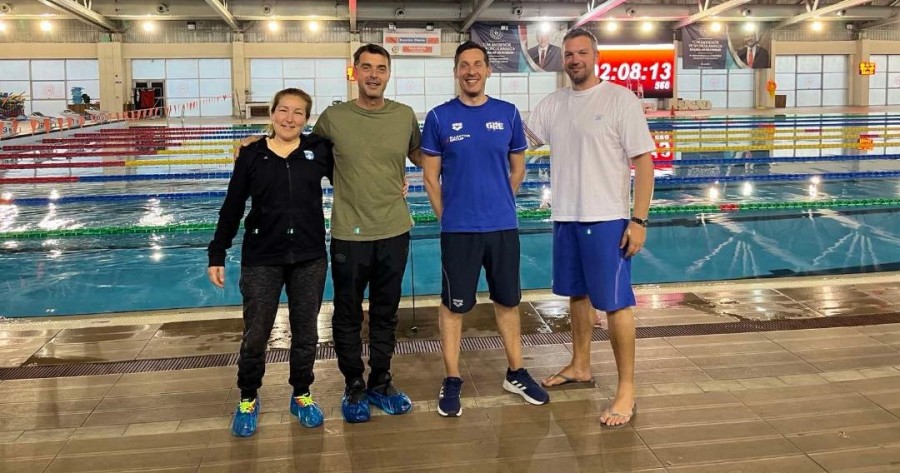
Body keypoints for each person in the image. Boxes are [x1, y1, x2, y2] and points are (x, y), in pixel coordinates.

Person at [236, 45, 423, 425]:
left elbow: (420, 155)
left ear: (389, 74)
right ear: (355, 73)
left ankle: (381, 381)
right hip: (348, 233)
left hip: (394, 229)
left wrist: (459, 160)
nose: (374, 74)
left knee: (386, 312)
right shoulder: (334, 118)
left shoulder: (404, 115)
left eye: (381, 68)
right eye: (366, 67)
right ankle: (353, 384)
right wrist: (255, 142)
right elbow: (295, 143)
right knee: (347, 313)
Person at [525, 28, 656, 429]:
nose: (575, 59)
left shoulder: (619, 99)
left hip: (607, 218)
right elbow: (519, 143)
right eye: (569, 54)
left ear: (595, 57)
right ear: (562, 59)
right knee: (577, 295)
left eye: (582, 52)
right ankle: (580, 364)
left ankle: (627, 387)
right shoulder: (553, 104)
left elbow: (644, 162)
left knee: (616, 303)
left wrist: (638, 220)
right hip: (566, 215)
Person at [420, 41, 550, 418]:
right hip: (459, 231)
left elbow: (518, 168)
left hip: (502, 227)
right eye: (464, 65)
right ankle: (452, 378)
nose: (471, 71)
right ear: (456, 72)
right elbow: (430, 178)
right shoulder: (439, 117)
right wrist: (449, 217)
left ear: (488, 70)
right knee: (453, 306)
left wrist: (499, 201)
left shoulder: (507, 113)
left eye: (478, 64)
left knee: (508, 301)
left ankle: (516, 372)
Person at [208, 88, 334, 437]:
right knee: (256, 333)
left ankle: (302, 394)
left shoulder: (318, 151)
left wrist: (394, 184)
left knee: (306, 332)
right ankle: (248, 397)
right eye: (283, 110)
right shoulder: (252, 154)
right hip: (262, 257)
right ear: (272, 113)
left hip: (309, 256)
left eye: (298, 112)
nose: (289, 118)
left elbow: (355, 178)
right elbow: (233, 206)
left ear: (307, 119)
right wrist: (217, 252)